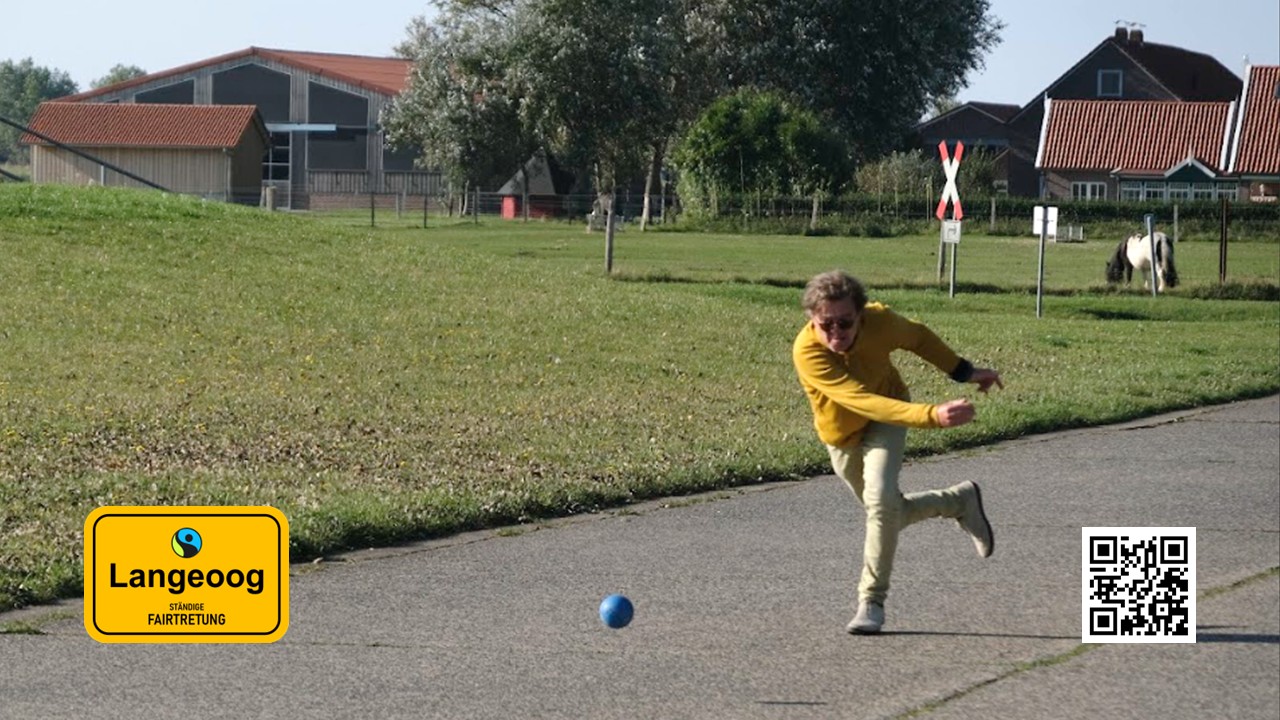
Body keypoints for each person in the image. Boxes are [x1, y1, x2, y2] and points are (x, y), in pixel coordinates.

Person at [792, 270, 1003, 634]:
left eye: (845, 322)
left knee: (878, 503)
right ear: (812, 319)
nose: (836, 333)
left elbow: (918, 337)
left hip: (888, 414)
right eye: (826, 324)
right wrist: (931, 415)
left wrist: (963, 371)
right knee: (889, 512)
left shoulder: (881, 321)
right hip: (841, 436)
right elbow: (858, 400)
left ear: (861, 315)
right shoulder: (808, 352)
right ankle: (958, 502)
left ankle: (871, 602)